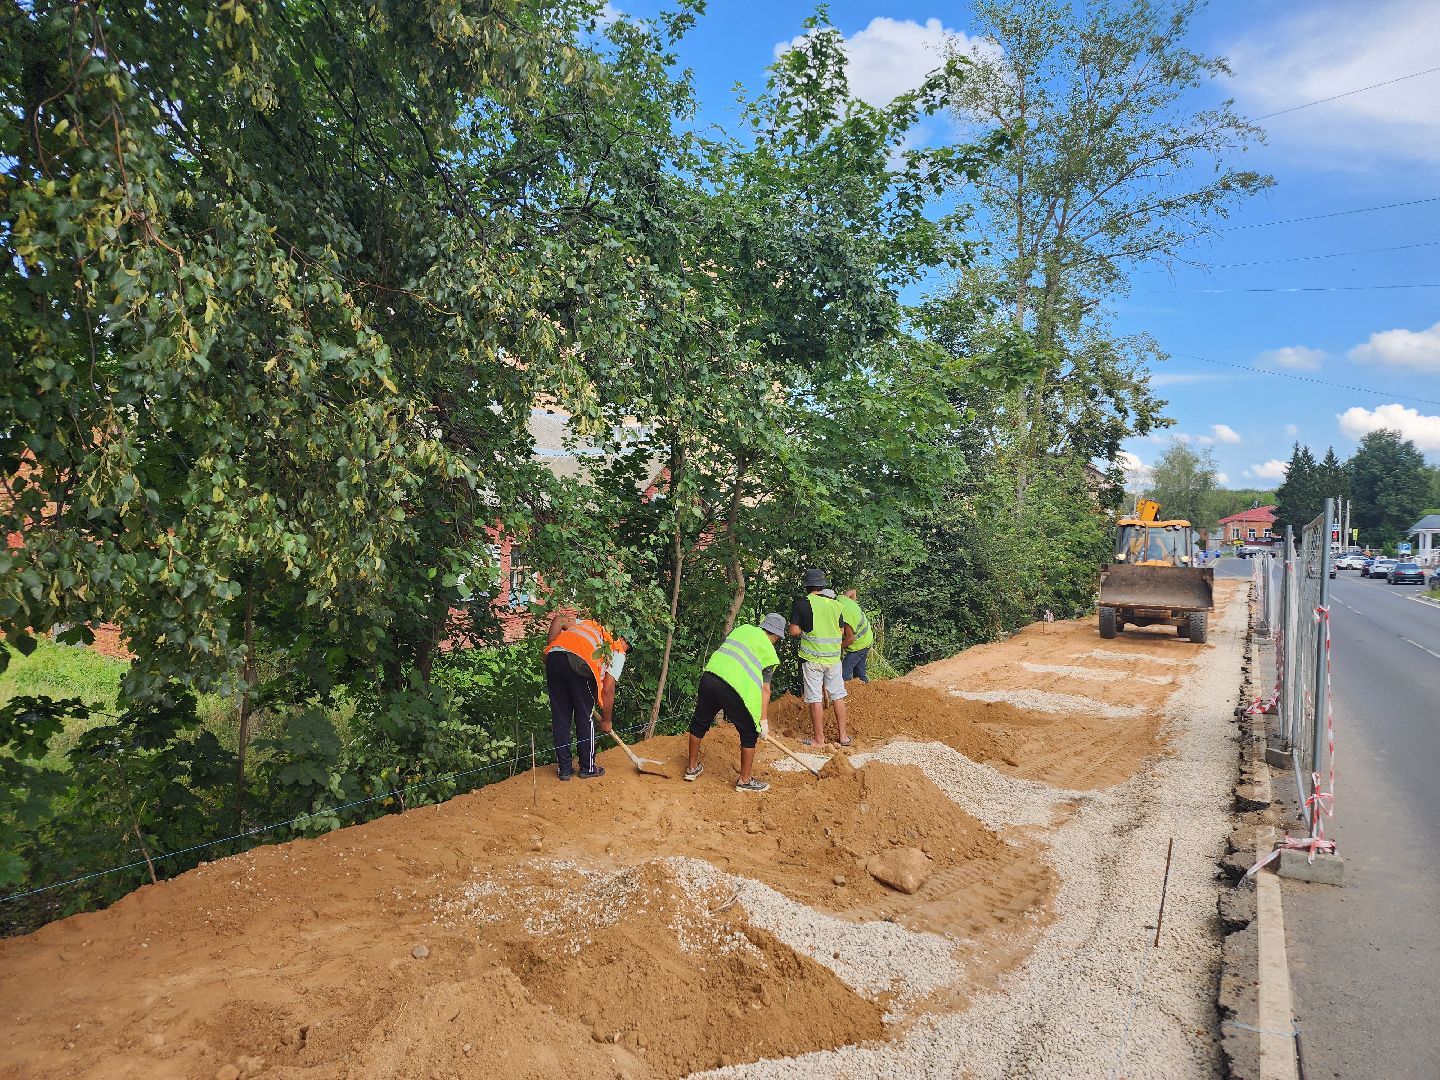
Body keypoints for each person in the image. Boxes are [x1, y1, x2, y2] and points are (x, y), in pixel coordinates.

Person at [684, 613, 787, 792]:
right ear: (777, 635)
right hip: (732, 687)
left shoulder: (743, 629)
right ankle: (745, 781)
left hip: (710, 676)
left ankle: (691, 769)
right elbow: (765, 689)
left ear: (763, 626)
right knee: (749, 732)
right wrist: (763, 722)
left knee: (699, 722)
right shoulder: (769, 652)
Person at [544, 611, 627, 781]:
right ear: (624, 641)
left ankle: (565, 770)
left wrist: (550, 649)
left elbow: (559, 619)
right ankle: (587, 768)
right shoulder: (618, 649)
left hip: (554, 657)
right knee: (584, 716)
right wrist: (607, 720)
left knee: (560, 717)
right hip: (579, 663)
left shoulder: (593, 626)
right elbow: (608, 689)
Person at [788, 568, 852, 747]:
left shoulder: (802, 604)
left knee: (815, 697)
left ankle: (819, 739)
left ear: (806, 586)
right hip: (833, 659)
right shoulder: (835, 605)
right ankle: (844, 737)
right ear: (822, 585)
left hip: (812, 659)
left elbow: (794, 631)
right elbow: (840, 631)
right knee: (838, 695)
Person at [837, 588, 874, 684]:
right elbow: (853, 591)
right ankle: (868, 691)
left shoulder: (843, 616)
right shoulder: (842, 598)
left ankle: (845, 695)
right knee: (859, 674)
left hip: (860, 644)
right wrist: (853, 606)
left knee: (843, 673)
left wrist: (835, 648)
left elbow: (850, 639)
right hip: (867, 638)